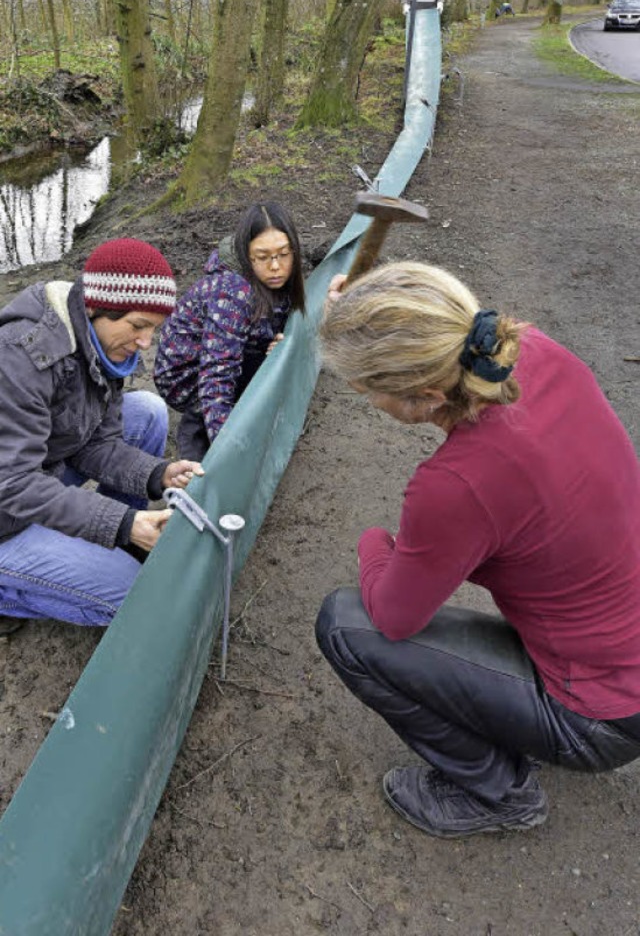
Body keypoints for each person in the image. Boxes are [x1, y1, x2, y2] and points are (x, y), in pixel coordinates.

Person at [316, 262, 640, 839]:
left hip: (603, 711)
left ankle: (500, 793)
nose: (363, 397)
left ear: (425, 397)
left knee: (347, 625)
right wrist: (359, 314)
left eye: (365, 390)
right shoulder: (534, 350)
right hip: (622, 660)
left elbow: (394, 616)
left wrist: (376, 543)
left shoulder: (457, 484)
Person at [0, 238, 204, 633]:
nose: (146, 343)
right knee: (134, 597)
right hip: (6, 512)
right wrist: (121, 521)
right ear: (98, 307)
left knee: (147, 411)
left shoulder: (99, 345)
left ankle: (120, 544)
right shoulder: (21, 355)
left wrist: (158, 474)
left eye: (153, 329)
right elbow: (14, 483)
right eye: (138, 326)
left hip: (40, 472)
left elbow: (97, 443)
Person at [154, 201, 306, 462]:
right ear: (247, 256)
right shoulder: (233, 292)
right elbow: (217, 375)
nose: (275, 266)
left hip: (226, 350)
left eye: (283, 254)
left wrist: (272, 342)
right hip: (186, 375)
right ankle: (195, 438)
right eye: (262, 257)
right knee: (215, 405)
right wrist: (230, 455)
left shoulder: (276, 277)